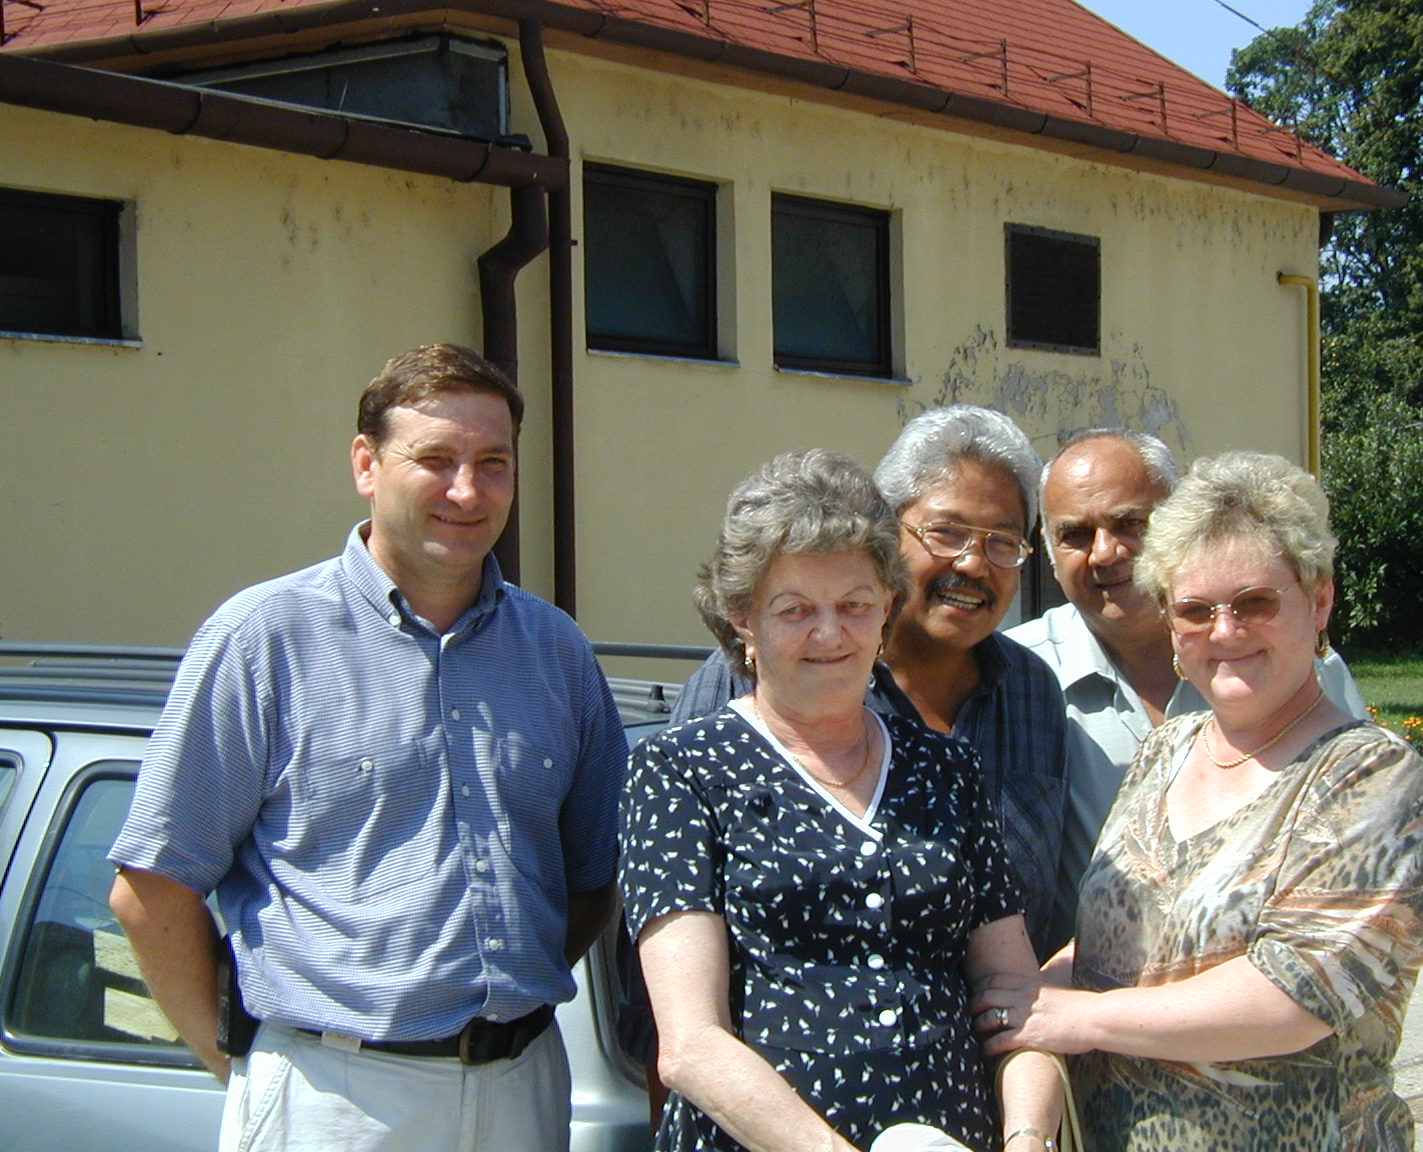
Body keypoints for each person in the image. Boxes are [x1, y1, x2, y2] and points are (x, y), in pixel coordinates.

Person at [108, 344, 629, 1151]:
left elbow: (593, 878)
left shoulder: (557, 652)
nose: (467, 490)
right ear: (366, 463)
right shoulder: (265, 639)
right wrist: (242, 1064)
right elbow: (152, 890)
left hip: (523, 1085)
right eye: (436, 460)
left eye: (493, 462)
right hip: (334, 1096)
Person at [976, 451, 1423, 1152]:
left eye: (1254, 602)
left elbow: (1296, 995)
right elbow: (1113, 943)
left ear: (1318, 599)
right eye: (1195, 610)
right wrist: (1028, 1010)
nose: (1224, 632)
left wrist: (1077, 1020)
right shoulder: (1170, 750)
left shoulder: (1368, 777)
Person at [621, 449, 1060, 1152]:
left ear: (887, 608)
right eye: (796, 610)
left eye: (855, 605)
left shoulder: (949, 769)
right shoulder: (681, 772)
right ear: (743, 619)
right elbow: (689, 1043)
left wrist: (1029, 1136)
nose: (830, 633)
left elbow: (1013, 994)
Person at [670, 405, 1073, 959]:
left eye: (1002, 542)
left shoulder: (1032, 692)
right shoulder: (752, 675)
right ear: (887, 537)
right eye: (946, 532)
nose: (974, 564)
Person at [1006, 428, 1367, 936]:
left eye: (1131, 523)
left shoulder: (1300, 669)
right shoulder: (1013, 677)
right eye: (1075, 535)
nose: (1105, 553)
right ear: (1048, 551)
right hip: (1087, 993)